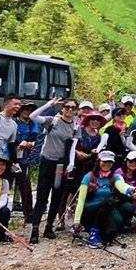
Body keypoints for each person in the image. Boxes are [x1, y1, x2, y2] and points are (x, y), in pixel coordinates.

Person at [28, 97, 77, 243]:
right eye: (67, 107)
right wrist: (48, 105)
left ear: (76, 110)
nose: (69, 110)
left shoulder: (76, 126)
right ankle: (35, 228)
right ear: (62, 108)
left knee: (57, 196)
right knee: (42, 196)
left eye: (73, 107)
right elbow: (33, 116)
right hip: (47, 161)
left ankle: (49, 227)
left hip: (61, 165)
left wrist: (71, 163)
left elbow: (73, 146)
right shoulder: (52, 120)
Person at [72, 150, 136, 248]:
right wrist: (76, 221)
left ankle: (102, 231)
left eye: (109, 162)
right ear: (99, 161)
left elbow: (122, 186)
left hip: (106, 208)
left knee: (116, 224)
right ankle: (94, 232)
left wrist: (132, 190)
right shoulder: (88, 177)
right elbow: (81, 201)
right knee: (107, 202)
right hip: (89, 209)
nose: (107, 164)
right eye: (104, 161)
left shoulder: (115, 177)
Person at [12, 102, 40, 223]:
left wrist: (29, 144)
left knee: (25, 187)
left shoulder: (33, 124)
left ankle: (29, 214)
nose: (27, 112)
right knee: (5, 184)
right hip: (10, 157)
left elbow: (37, 140)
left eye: (30, 110)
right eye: (26, 109)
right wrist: (19, 143)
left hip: (24, 159)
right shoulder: (13, 122)